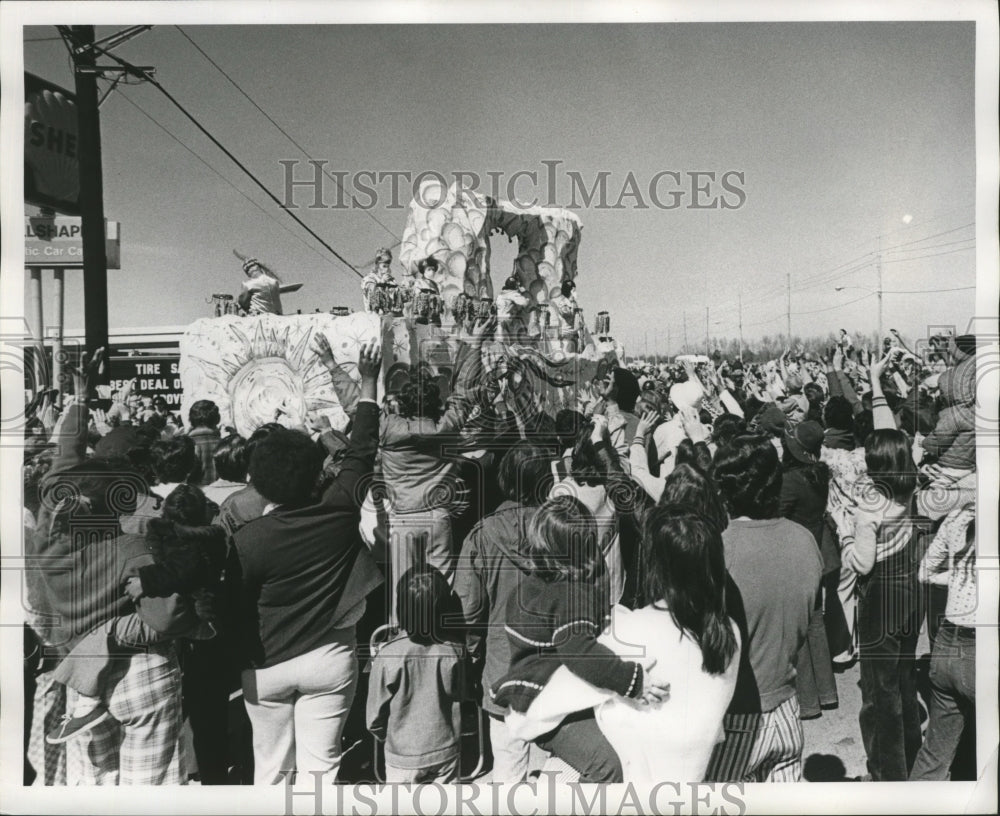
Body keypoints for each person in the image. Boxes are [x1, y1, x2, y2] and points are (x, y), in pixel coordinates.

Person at [228, 338, 383, 784]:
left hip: (266, 667)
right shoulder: (337, 512)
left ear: (257, 481)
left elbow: (235, 608)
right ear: (314, 472)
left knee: (271, 770)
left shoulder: (247, 539)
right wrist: (368, 383)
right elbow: (362, 451)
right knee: (321, 769)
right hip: (329, 658)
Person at [490, 496, 669, 783]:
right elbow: (581, 653)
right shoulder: (572, 596)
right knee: (611, 764)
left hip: (528, 696)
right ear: (584, 546)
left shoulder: (527, 587)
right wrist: (634, 681)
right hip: (549, 708)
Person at [46, 488, 225, 745]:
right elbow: (166, 618)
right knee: (149, 781)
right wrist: (192, 622)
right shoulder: (134, 549)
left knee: (94, 780)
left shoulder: (54, 566)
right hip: (138, 675)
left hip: (76, 689)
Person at [591, 505, 741, 784]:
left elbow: (558, 699)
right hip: (693, 778)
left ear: (655, 567)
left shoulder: (629, 631)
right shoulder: (729, 632)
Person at [705, 433, 822, 783]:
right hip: (788, 711)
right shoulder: (804, 539)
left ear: (725, 491)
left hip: (736, 719)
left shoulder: (719, 550)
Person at [842, 350, 931, 781]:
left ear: (874, 465)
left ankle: (888, 772)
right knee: (905, 679)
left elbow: (861, 563)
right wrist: (876, 383)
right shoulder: (909, 484)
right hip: (911, 595)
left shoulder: (869, 508)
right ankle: (913, 757)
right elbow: (889, 436)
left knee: (881, 696)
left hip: (879, 601)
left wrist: (845, 539)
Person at [454, 441, 555, 783]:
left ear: (504, 480)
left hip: (503, 667)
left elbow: (467, 609)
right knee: (555, 771)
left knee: (509, 768)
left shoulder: (482, 535)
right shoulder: (564, 532)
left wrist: (469, 654)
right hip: (558, 668)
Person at [367, 567, 467, 783]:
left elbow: (374, 715)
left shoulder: (388, 655)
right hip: (445, 749)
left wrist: (387, 737)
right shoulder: (454, 650)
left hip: (401, 755)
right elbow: (460, 696)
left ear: (401, 607)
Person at [909, 503, 977, 780]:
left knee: (934, 753)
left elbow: (924, 571)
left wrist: (959, 576)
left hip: (946, 643)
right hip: (980, 650)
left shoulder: (958, 516)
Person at [779, 421, 838, 720]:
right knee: (815, 621)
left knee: (798, 625)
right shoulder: (820, 473)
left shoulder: (790, 480)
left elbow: (777, 514)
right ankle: (827, 692)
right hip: (815, 550)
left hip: (792, 553)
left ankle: (809, 701)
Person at [186, 399, 222, 486]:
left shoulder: (186, 444)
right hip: (220, 495)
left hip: (194, 495)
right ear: (216, 419)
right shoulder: (223, 444)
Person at [548, 279, 583, 353]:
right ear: (570, 292)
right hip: (567, 338)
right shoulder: (563, 305)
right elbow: (569, 317)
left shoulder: (574, 303)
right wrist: (577, 312)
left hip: (574, 337)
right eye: (574, 291)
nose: (576, 293)